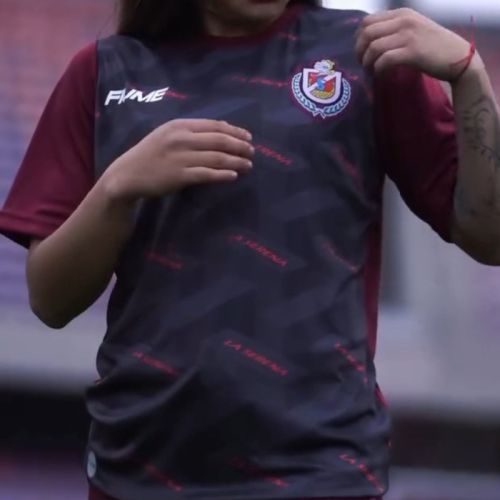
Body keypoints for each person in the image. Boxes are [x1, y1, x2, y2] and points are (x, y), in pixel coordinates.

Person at [1, 0, 499, 499]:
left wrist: (469, 77)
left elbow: (489, 235)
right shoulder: (103, 71)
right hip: (137, 470)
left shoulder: (368, 53)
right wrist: (118, 188)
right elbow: (50, 299)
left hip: (321, 472)